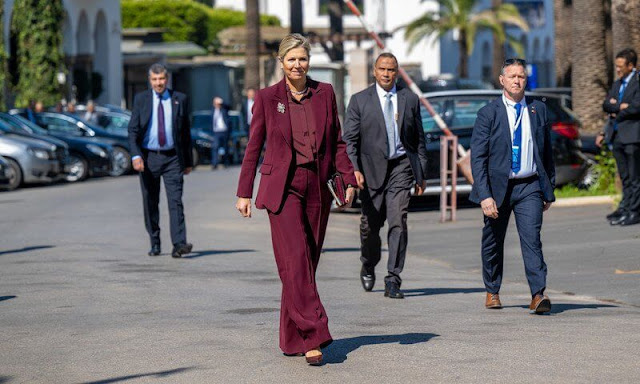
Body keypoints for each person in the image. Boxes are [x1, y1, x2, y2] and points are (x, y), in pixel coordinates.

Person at [235, 34, 356, 366]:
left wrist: (347, 177)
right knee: (296, 260)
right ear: (281, 62)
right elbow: (254, 147)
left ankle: (293, 338)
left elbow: (337, 141)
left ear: (308, 61)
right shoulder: (266, 98)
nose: (297, 65)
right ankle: (315, 334)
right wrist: (244, 191)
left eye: (302, 59)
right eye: (291, 59)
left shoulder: (325, 94)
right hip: (282, 188)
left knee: (305, 264)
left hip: (317, 186)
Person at [469, 58, 556, 314]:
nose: (517, 80)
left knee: (532, 239)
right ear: (502, 80)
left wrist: (548, 187)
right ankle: (492, 290)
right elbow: (478, 158)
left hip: (529, 186)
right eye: (512, 76)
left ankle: (538, 294)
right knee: (493, 241)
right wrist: (485, 195)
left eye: (521, 76)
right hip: (498, 189)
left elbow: (546, 152)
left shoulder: (538, 110)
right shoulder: (488, 113)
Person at [342, 52, 428, 299]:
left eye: (392, 70)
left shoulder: (409, 99)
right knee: (370, 227)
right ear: (374, 71)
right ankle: (368, 263)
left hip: (401, 168)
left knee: (398, 220)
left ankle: (393, 279)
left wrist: (419, 172)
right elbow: (350, 141)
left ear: (397, 71)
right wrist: (354, 169)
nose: (387, 74)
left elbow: (417, 139)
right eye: (382, 69)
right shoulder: (360, 101)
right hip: (370, 172)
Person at [128, 63, 194, 258]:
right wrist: (136, 155)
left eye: (162, 79)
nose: (159, 83)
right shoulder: (141, 99)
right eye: (155, 80)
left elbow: (185, 133)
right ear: (150, 81)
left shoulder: (179, 99)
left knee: (175, 201)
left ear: (167, 79)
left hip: (173, 158)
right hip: (148, 158)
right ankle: (155, 241)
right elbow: (132, 130)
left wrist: (188, 161)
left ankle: (179, 244)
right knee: (150, 201)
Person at [600, 48, 640, 226]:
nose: (617, 69)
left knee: (634, 177)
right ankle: (625, 208)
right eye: (616, 66)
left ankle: (634, 211)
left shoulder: (637, 83)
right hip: (616, 136)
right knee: (624, 177)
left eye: (620, 66)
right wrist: (619, 107)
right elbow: (606, 104)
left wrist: (620, 110)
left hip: (632, 137)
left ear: (631, 66)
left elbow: (636, 107)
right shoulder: (618, 84)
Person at [210, 97, 231, 169]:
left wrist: (222, 102)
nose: (217, 105)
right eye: (216, 103)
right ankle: (214, 163)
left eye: (218, 103)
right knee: (215, 147)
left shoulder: (224, 110)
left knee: (225, 147)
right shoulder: (213, 111)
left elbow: (228, 106)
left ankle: (226, 163)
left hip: (224, 131)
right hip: (216, 132)